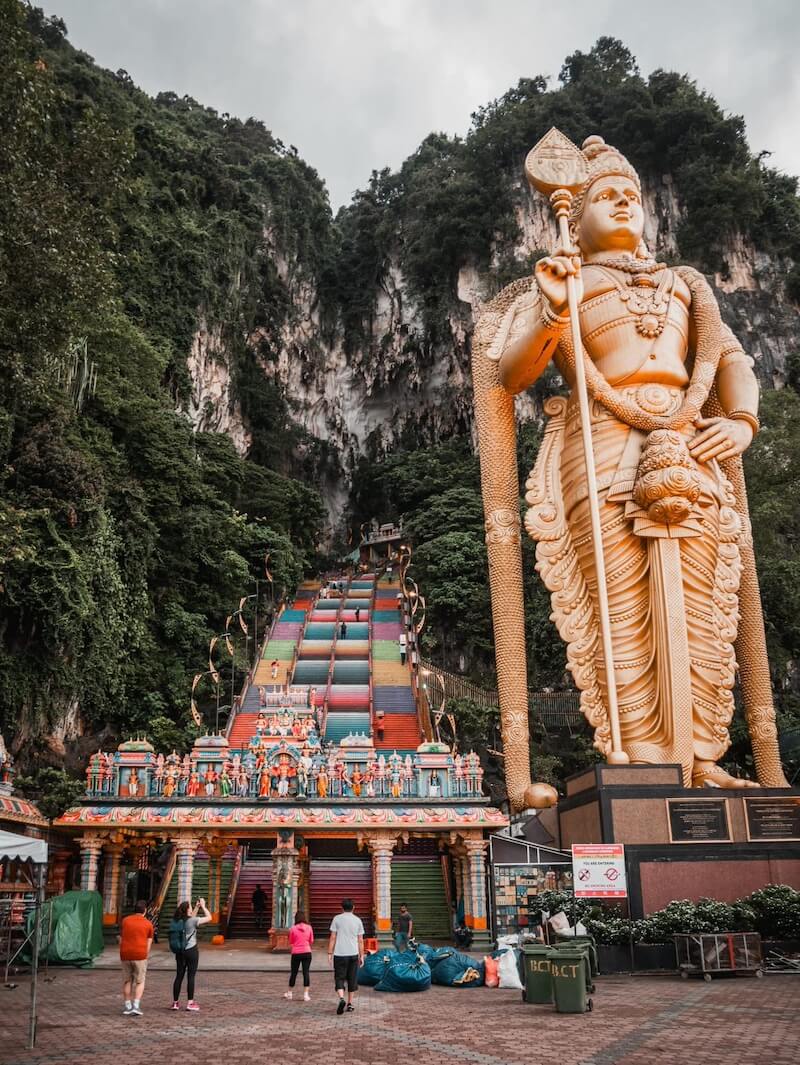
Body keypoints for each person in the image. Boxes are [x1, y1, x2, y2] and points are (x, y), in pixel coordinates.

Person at [169, 897, 212, 1011]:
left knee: (179, 976)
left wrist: (196, 907)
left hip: (180, 951)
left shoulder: (177, 920)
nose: (192, 908)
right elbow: (209, 918)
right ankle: (190, 1003)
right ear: (187, 910)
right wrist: (203, 906)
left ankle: (175, 1003)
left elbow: (190, 917)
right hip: (191, 951)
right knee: (191, 976)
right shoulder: (192, 921)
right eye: (191, 907)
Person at [328, 898, 364, 1015]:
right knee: (352, 979)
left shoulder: (337, 919)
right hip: (353, 953)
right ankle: (350, 1004)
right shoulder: (358, 920)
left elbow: (333, 937)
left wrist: (329, 953)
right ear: (353, 907)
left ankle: (341, 999)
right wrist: (362, 955)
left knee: (339, 978)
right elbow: (360, 940)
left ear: (342, 908)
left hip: (339, 954)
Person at [119, 899, 154, 1016]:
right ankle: (136, 1005)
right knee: (140, 981)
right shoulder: (148, 924)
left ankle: (128, 1006)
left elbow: (121, 937)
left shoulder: (125, 921)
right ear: (145, 911)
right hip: (140, 954)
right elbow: (149, 942)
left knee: (127, 980)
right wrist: (146, 954)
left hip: (125, 954)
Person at [284, 911, 314, 1001]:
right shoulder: (309, 928)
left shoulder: (293, 928)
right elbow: (311, 940)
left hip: (296, 952)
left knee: (294, 973)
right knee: (306, 973)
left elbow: (291, 941)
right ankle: (306, 994)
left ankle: (289, 993)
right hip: (307, 952)